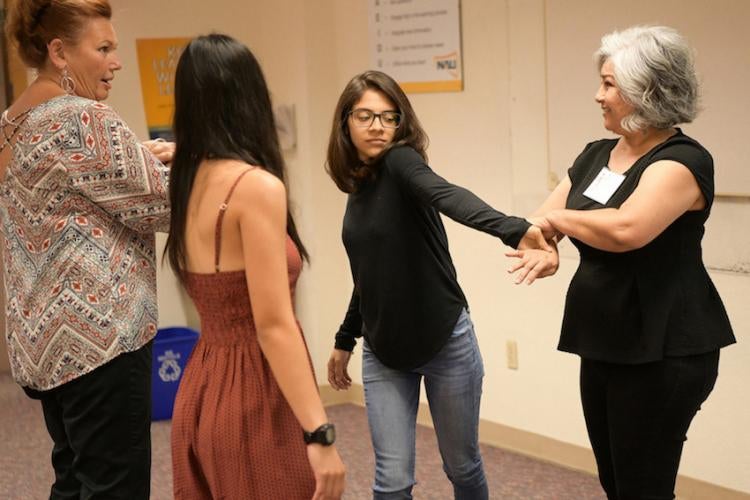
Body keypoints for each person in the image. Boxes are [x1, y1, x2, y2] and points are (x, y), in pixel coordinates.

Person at [507, 25, 736, 499]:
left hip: (666, 345)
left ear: (647, 91)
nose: (598, 95)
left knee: (643, 486)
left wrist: (556, 222)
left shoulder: (682, 161)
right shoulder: (595, 156)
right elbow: (540, 224)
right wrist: (545, 244)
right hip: (604, 337)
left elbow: (626, 230)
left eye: (609, 84)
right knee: (616, 480)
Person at [325, 70, 551, 500]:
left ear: (401, 123)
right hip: (385, 350)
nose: (377, 126)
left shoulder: (402, 162)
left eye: (388, 117)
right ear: (346, 123)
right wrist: (345, 337)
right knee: (391, 482)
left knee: (462, 467)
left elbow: (448, 195)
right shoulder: (360, 183)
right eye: (365, 116)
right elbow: (369, 275)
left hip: (445, 340)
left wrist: (515, 229)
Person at [1, 0, 173, 498]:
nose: (115, 61)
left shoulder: (10, 122)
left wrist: (140, 155)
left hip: (45, 347)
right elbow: (166, 205)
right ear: (59, 51)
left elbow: (72, 189)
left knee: (74, 481)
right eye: (103, 48)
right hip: (102, 345)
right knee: (114, 487)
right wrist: (194, 162)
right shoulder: (84, 119)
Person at [165, 34, 345, 500]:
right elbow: (273, 326)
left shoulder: (186, 180)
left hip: (201, 387)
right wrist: (320, 433)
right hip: (254, 395)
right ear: (249, 98)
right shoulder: (255, 187)